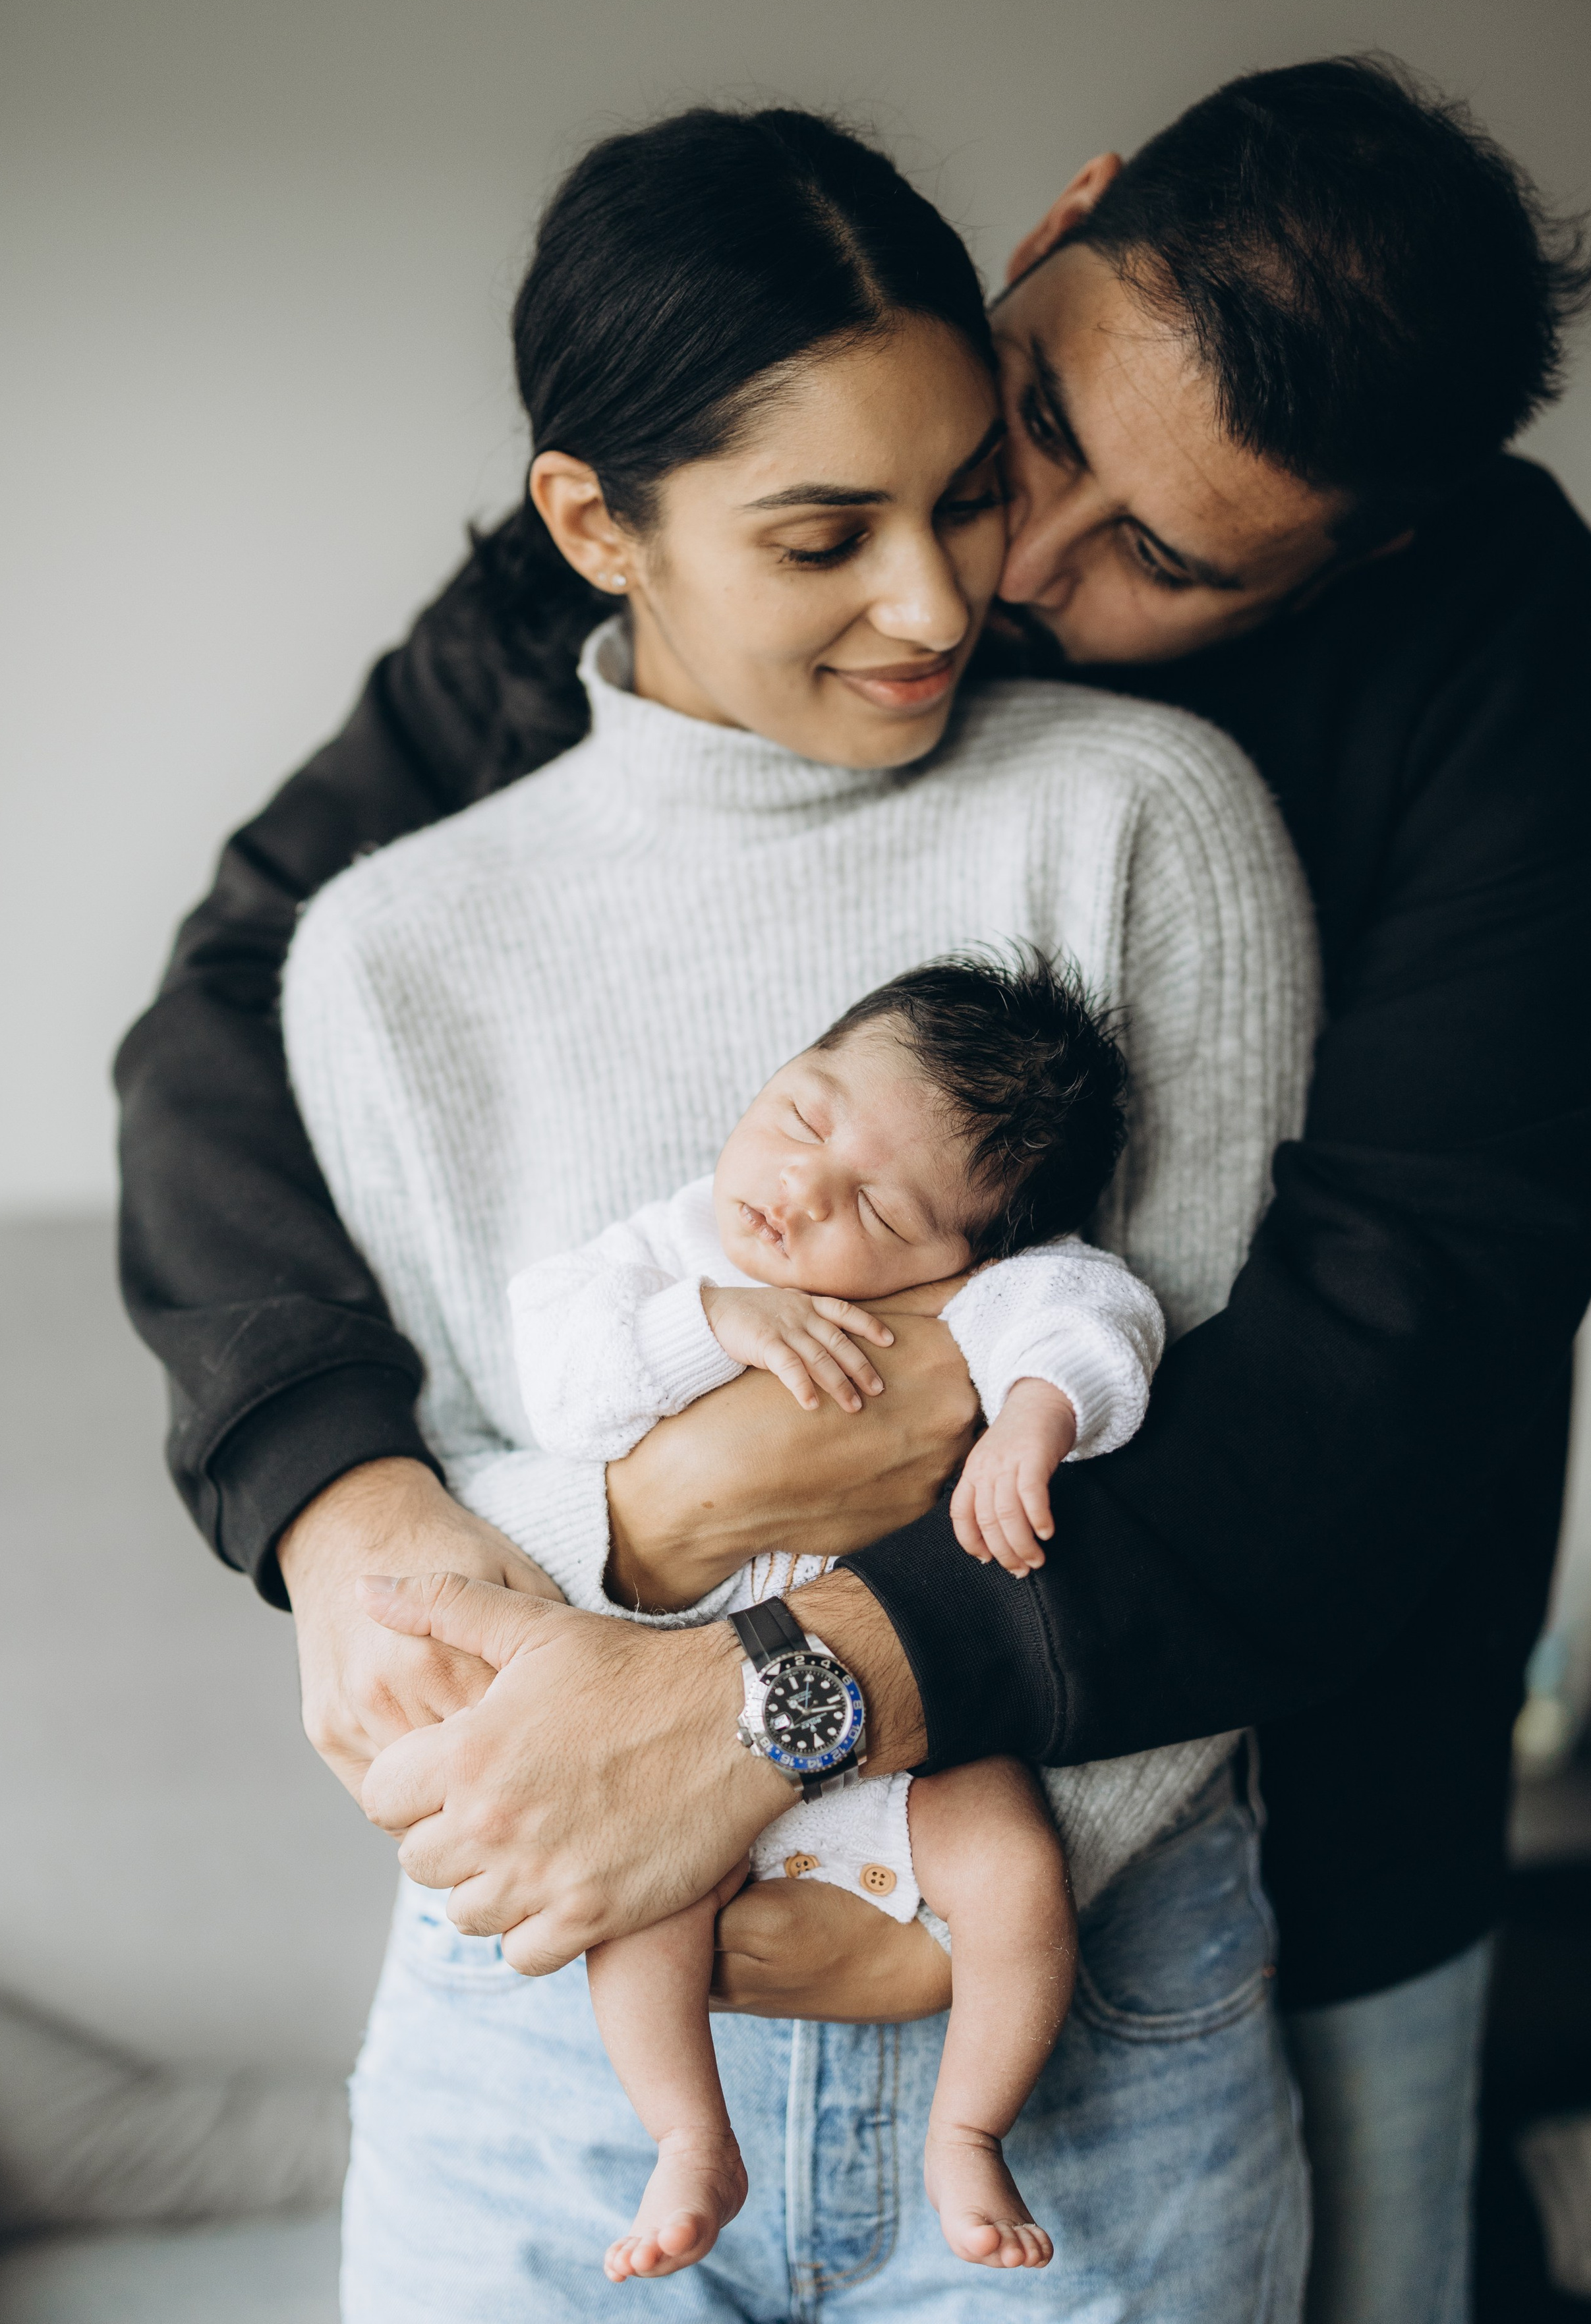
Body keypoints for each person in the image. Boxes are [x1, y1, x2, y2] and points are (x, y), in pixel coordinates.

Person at [114, 58, 1591, 2321]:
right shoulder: (748, 512)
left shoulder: (1528, 715)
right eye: (1028, 422)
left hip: (1273, 1812)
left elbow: (1373, 1385)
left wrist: (764, 1708)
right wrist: (340, 1491)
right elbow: (244, 996)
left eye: (1158, 559)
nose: (988, 579)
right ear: (1061, 221)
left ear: (1370, 551)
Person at [268, 101, 1317, 2317]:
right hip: (554, 2022)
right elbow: (478, 1499)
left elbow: (1222, 1464)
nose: (945, 599)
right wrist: (664, 1571)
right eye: (825, 534)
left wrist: (943, 1916)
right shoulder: (389, 954)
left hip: (1071, 2005)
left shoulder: (1142, 823)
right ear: (597, 523)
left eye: (964, 494)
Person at [491, 954, 1160, 2279]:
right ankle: (689, 2138)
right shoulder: (669, 1254)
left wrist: (1035, 1415)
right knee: (641, 1901)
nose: (798, 1192)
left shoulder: (977, 1295)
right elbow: (557, 1381)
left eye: (876, 1206)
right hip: (670, 1729)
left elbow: (1097, 1312)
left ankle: (967, 2130)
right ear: (784, 1066)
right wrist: (710, 1325)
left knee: (1016, 1871)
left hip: (897, 1739)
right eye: (802, 1117)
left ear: (968, 1249)